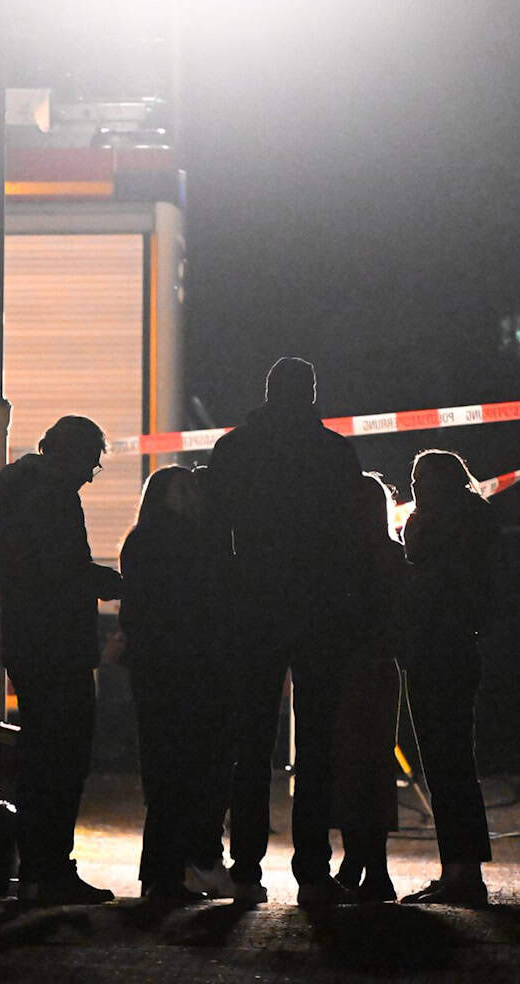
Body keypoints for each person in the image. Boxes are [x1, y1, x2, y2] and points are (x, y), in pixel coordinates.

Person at [206, 356, 364, 907]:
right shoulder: (335, 452)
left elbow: (215, 532)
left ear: (268, 392)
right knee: (316, 746)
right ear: (312, 393)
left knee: (250, 744)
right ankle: (313, 872)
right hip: (318, 611)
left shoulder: (233, 450)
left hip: (253, 609)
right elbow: (350, 537)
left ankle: (246, 869)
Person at [0, 415, 124, 906]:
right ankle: (50, 870)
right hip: (59, 647)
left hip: (30, 645)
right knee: (64, 761)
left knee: (41, 760)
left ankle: (37, 870)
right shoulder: (53, 497)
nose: (91, 474)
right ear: (73, 454)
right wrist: (110, 583)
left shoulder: (20, 489)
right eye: (91, 463)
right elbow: (61, 569)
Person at [119, 465, 234, 904]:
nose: (195, 495)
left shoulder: (141, 540)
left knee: (165, 772)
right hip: (192, 671)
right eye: (185, 488)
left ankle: (162, 875)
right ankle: (177, 871)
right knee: (191, 770)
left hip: (155, 671)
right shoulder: (194, 542)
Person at [397, 450, 495, 907]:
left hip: (435, 651)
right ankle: (461, 867)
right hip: (457, 649)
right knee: (454, 760)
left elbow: (420, 571)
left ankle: (461, 871)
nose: (414, 485)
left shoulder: (433, 528)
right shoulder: (476, 522)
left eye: (423, 478)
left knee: (444, 761)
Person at [331, 473, 405, 902]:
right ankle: (371, 867)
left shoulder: (341, 558)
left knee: (346, 768)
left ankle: (358, 864)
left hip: (346, 670)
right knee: (375, 767)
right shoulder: (393, 555)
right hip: (380, 670)